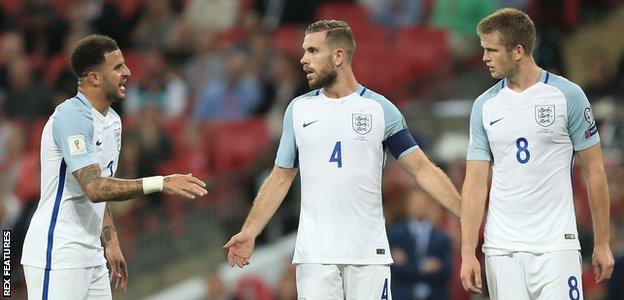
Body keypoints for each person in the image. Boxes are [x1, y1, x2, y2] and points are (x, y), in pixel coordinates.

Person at [224, 20, 461, 300]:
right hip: (315, 255)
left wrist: (464, 213)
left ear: (338, 56)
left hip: (368, 254)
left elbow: (422, 169)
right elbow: (280, 176)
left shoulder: (379, 109)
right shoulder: (298, 110)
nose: (303, 59)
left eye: (313, 51)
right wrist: (250, 231)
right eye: (304, 51)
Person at [20, 35, 207, 300]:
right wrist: (161, 183)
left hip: (91, 253)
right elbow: (95, 188)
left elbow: (105, 186)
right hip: (58, 250)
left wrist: (111, 240)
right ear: (95, 78)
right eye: (118, 67)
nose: (128, 72)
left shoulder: (113, 122)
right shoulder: (71, 118)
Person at [460, 8, 614, 299]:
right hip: (502, 248)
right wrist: (468, 251)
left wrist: (602, 241)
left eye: (492, 50)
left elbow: (594, 171)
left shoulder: (568, 96)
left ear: (518, 51)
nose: (484, 57)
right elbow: (475, 182)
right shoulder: (484, 106)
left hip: (557, 245)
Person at [388, 187, 453, 300]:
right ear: (407, 205)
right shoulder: (395, 236)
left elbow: (446, 271)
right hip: (403, 295)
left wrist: (408, 265)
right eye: (415, 202)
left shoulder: (442, 238)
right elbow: (395, 270)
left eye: (422, 202)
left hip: (435, 295)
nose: (419, 206)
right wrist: (424, 267)